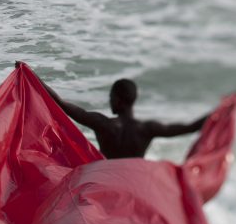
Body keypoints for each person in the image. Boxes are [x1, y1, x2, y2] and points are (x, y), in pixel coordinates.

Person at [19, 62, 210, 159]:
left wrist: (31, 75)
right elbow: (190, 128)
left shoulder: (105, 125)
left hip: (108, 180)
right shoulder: (147, 129)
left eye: (111, 97)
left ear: (118, 101)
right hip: (134, 181)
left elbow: (62, 104)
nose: (109, 100)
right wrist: (218, 114)